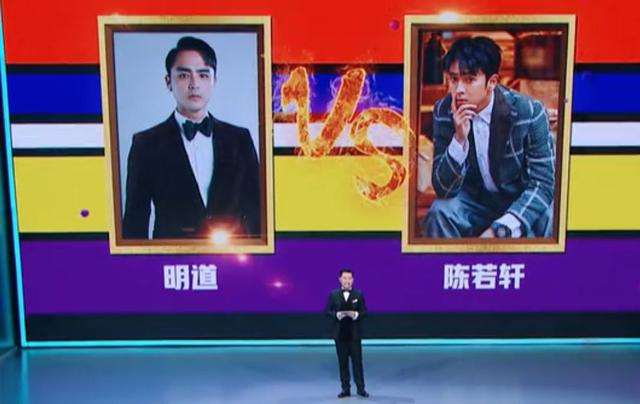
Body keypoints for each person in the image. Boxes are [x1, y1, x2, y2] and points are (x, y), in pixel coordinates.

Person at [122, 36, 260, 239]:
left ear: (214, 81)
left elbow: (258, 211)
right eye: (184, 75)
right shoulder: (146, 144)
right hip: (172, 255)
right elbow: (135, 221)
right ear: (168, 82)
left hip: (232, 253)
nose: (194, 84)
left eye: (203, 75)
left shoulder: (240, 139)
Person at [423, 36, 555, 239]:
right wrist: (459, 139)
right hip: (474, 201)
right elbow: (443, 189)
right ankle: (447, 261)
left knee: (548, 215)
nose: (459, 90)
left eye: (469, 80)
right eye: (454, 79)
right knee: (440, 211)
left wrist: (500, 229)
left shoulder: (528, 111)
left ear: (492, 82)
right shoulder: (444, 110)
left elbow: (544, 184)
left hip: (518, 197)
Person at [325, 268, 369, 398]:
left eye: (349, 278)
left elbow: (364, 312)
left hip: (355, 335)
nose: (347, 281)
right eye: (344, 278)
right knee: (342, 363)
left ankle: (361, 389)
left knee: (357, 363)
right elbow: (327, 311)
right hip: (340, 335)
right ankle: (345, 389)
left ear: (353, 280)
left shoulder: (358, 294)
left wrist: (356, 315)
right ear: (340, 280)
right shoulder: (333, 294)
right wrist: (336, 315)